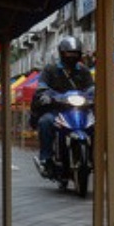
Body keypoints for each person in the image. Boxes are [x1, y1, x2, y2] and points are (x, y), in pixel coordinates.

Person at [31, 35, 94, 176]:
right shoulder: (50, 69)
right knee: (45, 122)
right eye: (69, 53)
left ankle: (97, 156)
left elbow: (91, 88)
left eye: (75, 53)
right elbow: (42, 87)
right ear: (62, 53)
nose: (72, 56)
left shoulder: (84, 71)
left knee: (97, 124)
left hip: (79, 110)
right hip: (57, 109)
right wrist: (46, 96)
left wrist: (94, 96)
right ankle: (46, 159)